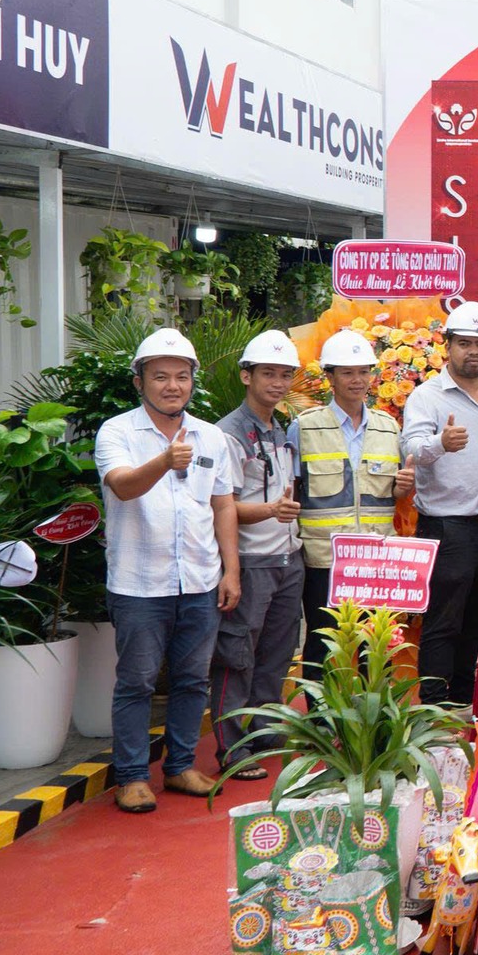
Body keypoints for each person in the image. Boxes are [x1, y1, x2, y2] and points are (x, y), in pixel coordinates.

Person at [95, 328, 241, 814]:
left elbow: (223, 505)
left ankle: (179, 767)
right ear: (139, 382)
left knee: (192, 680)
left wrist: (231, 571)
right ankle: (133, 776)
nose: (172, 385)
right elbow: (123, 488)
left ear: (192, 382)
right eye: (160, 377)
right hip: (140, 583)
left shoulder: (211, 436)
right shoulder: (117, 432)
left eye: (181, 376)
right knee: (136, 681)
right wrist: (163, 459)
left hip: (199, 579)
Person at [400, 301, 478, 707]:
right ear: (447, 345)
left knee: (477, 619)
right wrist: (438, 444)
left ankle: (463, 698)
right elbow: (410, 447)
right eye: (465, 343)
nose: (474, 352)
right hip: (447, 526)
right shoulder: (427, 397)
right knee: (443, 622)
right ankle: (432, 705)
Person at [212, 330, 306, 782]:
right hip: (251, 560)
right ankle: (232, 748)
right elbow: (222, 504)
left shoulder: (282, 429)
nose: (278, 382)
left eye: (286, 374)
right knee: (238, 654)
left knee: (277, 651)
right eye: (268, 373)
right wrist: (270, 511)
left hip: (288, 559)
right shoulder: (228, 434)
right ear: (246, 375)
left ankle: (265, 730)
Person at [293, 328, 413, 680]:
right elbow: (293, 489)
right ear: (329, 377)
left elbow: (390, 490)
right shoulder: (304, 428)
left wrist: (403, 486)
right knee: (320, 645)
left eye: (364, 371)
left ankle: (372, 727)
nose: (357, 380)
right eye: (347, 372)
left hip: (374, 558)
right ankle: (317, 727)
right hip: (324, 559)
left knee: (377, 647)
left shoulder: (389, 427)